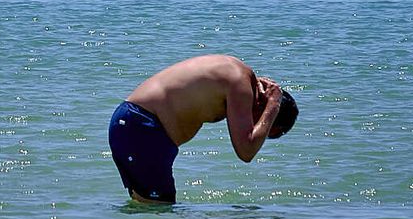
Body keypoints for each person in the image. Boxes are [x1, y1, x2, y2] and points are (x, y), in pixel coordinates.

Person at [109, 55, 298, 204]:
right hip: (143, 128)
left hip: (136, 125)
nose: (253, 124)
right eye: (262, 122)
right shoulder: (240, 84)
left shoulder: (238, 75)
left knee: (148, 213)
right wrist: (274, 104)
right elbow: (246, 151)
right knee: (161, 218)